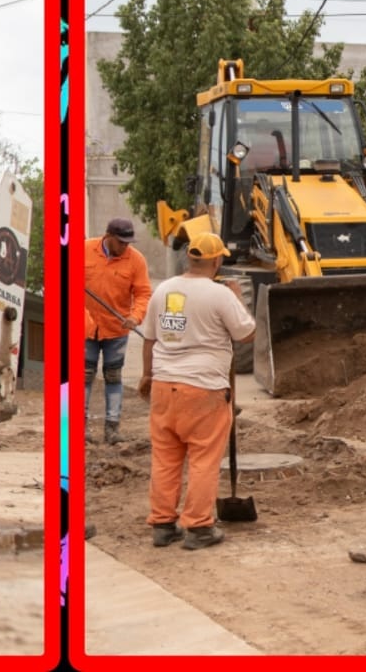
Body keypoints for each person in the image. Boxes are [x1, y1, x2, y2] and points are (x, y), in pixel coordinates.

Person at [137, 231, 255, 549]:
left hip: (164, 387)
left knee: (165, 458)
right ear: (216, 260)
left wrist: (147, 376)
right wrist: (238, 297)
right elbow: (246, 333)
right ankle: (199, 528)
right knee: (203, 459)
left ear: (189, 258)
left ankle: (163, 524)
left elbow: (149, 339)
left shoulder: (164, 290)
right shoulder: (220, 294)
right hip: (204, 390)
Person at [83, 216, 152, 445]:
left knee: (113, 377)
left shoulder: (136, 260)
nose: (125, 246)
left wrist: (135, 317)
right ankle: (80, 428)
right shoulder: (84, 250)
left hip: (116, 330)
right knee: (84, 377)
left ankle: (112, 429)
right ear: (108, 237)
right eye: (121, 241)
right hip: (86, 328)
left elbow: (143, 293)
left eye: (128, 242)